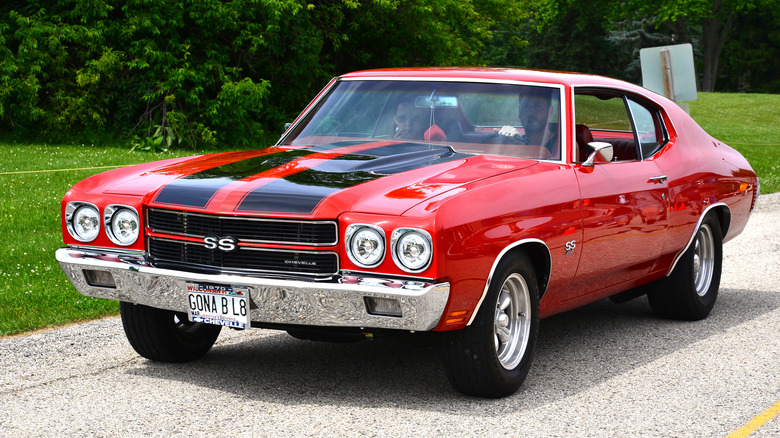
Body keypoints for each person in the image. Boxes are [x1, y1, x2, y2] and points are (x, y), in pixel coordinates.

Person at [495, 87, 559, 155]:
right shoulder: (516, 141)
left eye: (537, 106)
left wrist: (522, 147)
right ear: (519, 112)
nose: (530, 112)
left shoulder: (560, 143)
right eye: (526, 106)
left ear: (550, 112)